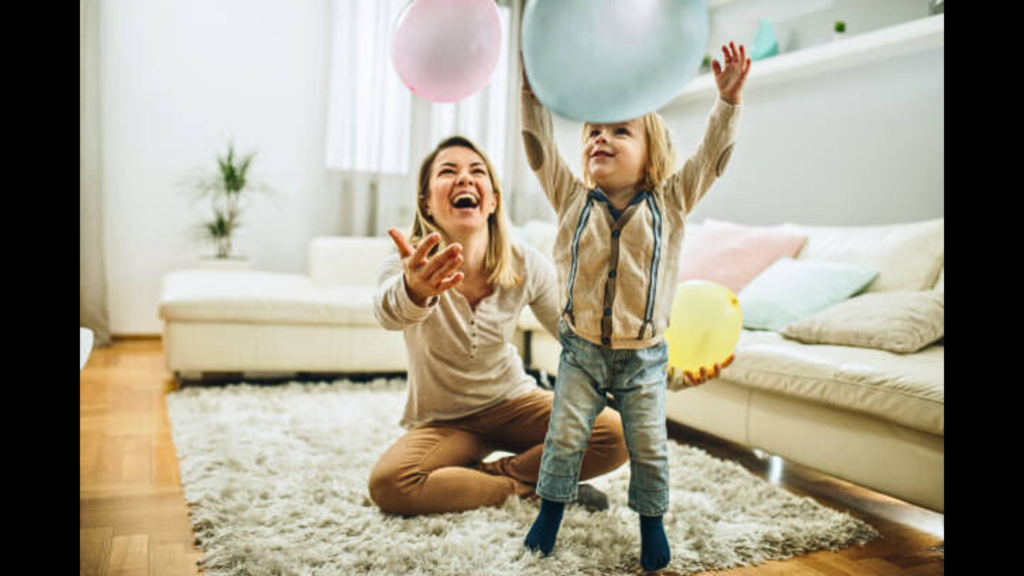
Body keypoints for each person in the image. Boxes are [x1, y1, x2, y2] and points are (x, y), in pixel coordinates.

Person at [370, 135, 702, 516]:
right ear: (426, 202)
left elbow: (581, 334)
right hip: (444, 421)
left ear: (492, 201)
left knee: (617, 433)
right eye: (448, 171)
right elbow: (388, 314)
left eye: (477, 171)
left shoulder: (526, 263)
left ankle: (493, 476)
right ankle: (532, 488)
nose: (464, 178)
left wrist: (663, 369)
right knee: (390, 485)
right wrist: (415, 290)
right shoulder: (408, 263)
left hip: (513, 402)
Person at [519, 42, 751, 571]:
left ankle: (651, 524)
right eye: (594, 132)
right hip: (580, 350)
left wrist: (729, 102)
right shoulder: (570, 197)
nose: (601, 137)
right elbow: (537, 148)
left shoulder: (671, 202)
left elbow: (712, 157)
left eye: (620, 131)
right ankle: (550, 512)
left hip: (644, 356)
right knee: (565, 436)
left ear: (653, 154)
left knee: (650, 447)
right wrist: (531, 95)